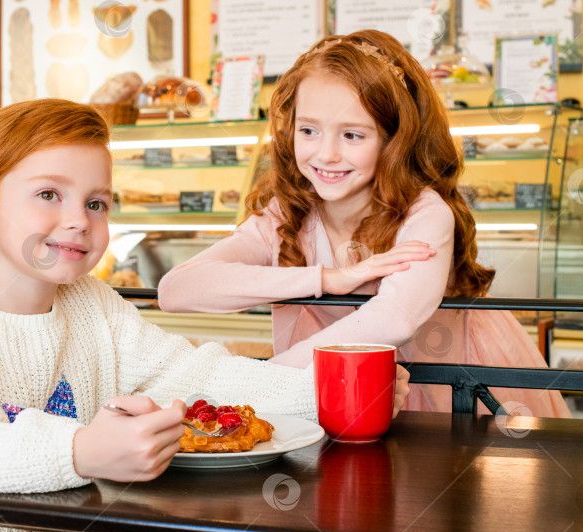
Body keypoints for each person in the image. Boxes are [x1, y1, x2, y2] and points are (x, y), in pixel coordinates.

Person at [0, 98, 411, 532]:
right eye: (49, 194)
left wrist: (325, 390)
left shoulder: (92, 304)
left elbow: (199, 378)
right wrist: (79, 450)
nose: (79, 220)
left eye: (98, 202)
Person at [158, 29, 570, 419]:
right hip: (345, 398)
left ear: (395, 140)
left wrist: (261, 382)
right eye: (308, 130)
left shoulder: (425, 214)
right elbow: (176, 290)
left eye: (352, 135)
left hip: (456, 390)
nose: (326, 154)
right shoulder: (288, 213)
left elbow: (393, 318)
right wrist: (325, 278)